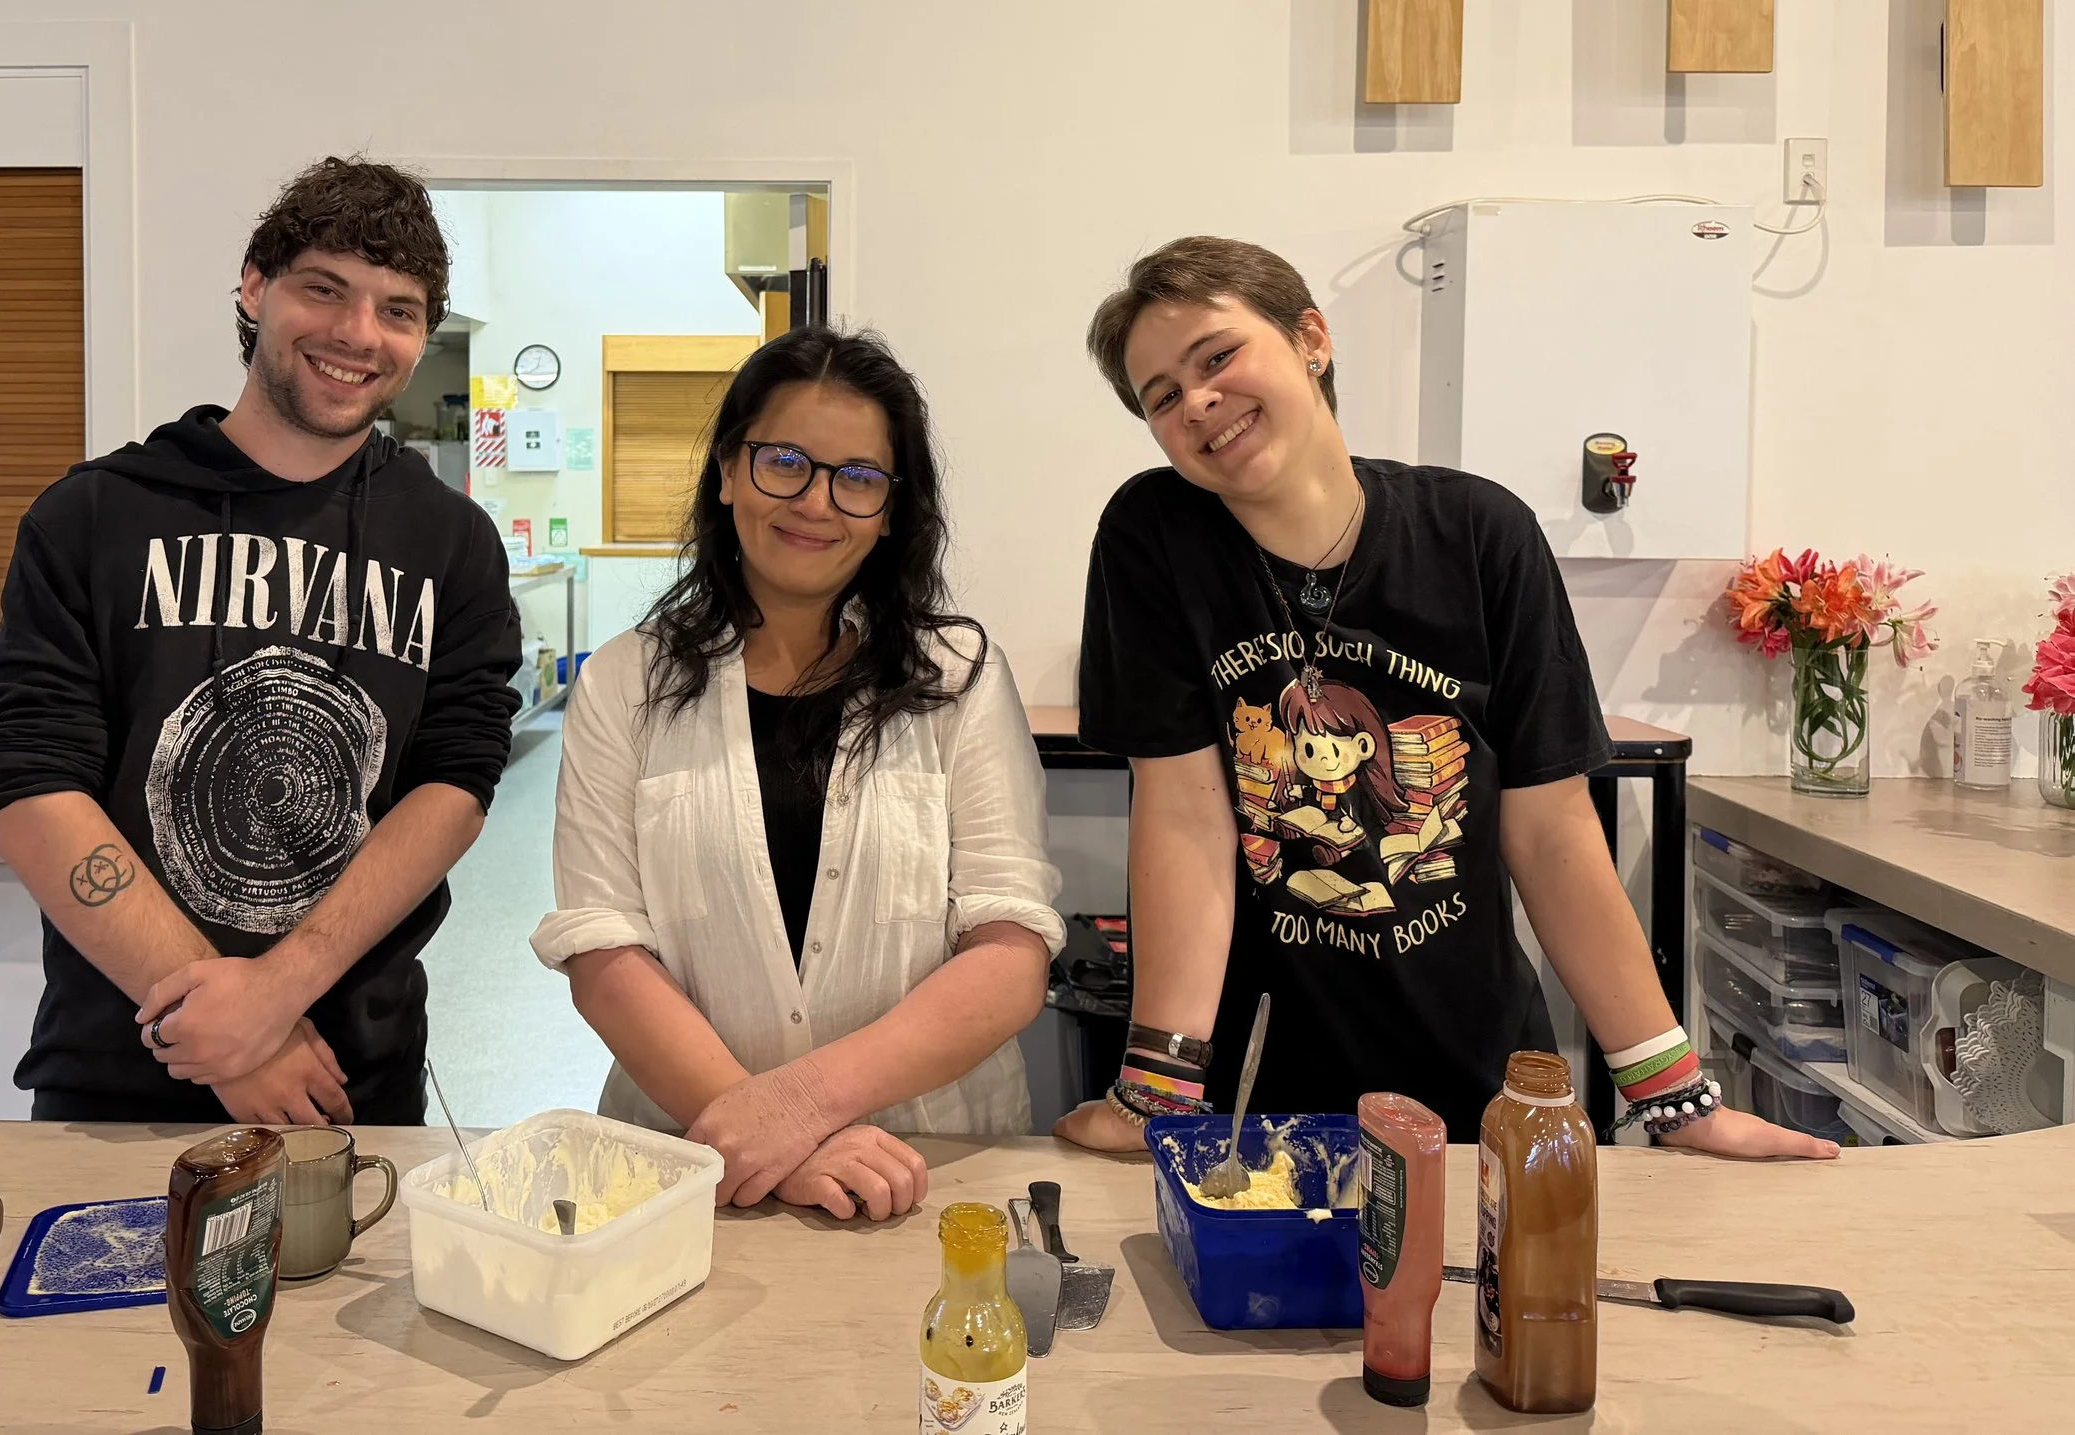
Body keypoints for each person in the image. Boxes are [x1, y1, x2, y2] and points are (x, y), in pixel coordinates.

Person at [1054, 236, 1832, 1158]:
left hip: (1471, 1086)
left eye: (1216, 357)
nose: (1197, 402)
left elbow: (1551, 833)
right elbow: (1185, 817)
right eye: (1161, 396)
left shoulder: (1479, 533)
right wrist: (1156, 1094)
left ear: (1311, 339)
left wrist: (1676, 1098)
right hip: (1250, 1097)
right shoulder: (1154, 537)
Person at [0, 156, 521, 1125]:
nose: (359, 333)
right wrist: (222, 1030)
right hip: (119, 1073)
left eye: (397, 310)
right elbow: (32, 789)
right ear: (255, 287)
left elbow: (456, 782)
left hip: (346, 1078)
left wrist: (274, 994)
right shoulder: (94, 516)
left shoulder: (452, 542)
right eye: (325, 289)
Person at [534, 327, 1064, 1220]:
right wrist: (771, 1133)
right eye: (784, 461)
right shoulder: (623, 680)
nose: (816, 501)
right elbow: (602, 949)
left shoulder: (960, 677)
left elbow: (1010, 951)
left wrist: (796, 1107)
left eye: (858, 476)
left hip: (925, 1165)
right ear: (728, 471)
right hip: (691, 1167)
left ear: (891, 508)